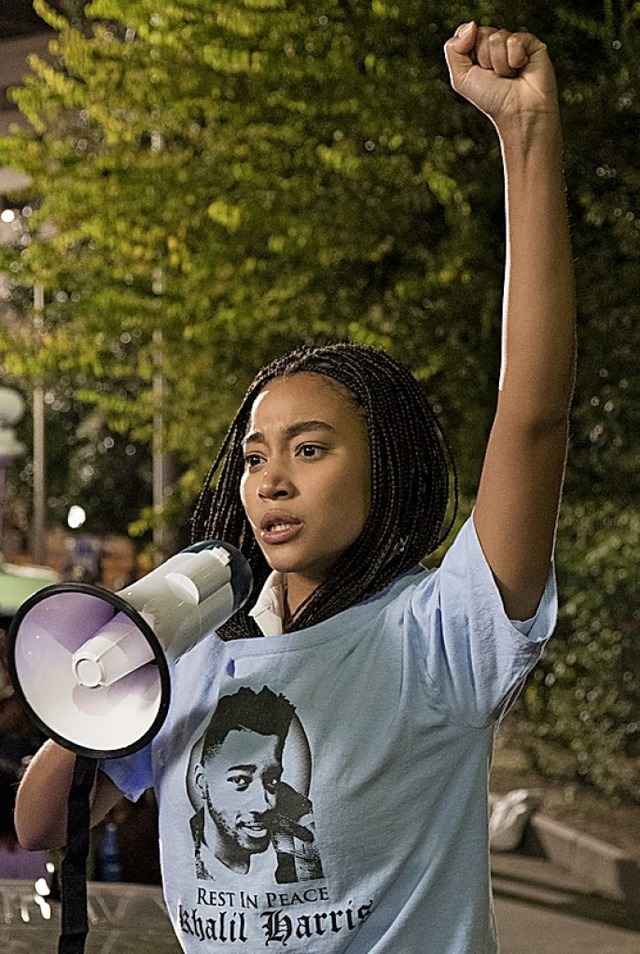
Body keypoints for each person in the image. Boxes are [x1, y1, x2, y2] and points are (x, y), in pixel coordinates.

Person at [13, 22, 575, 953]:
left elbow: (534, 416)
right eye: (254, 454)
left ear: (382, 468)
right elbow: (40, 826)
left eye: (310, 450)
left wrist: (525, 138)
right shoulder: (192, 655)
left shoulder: (441, 634)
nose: (270, 478)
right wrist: (108, 677)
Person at [189, 685, 323, 883]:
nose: (263, 806)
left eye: (272, 781)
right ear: (202, 783)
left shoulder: (302, 842)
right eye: (240, 781)